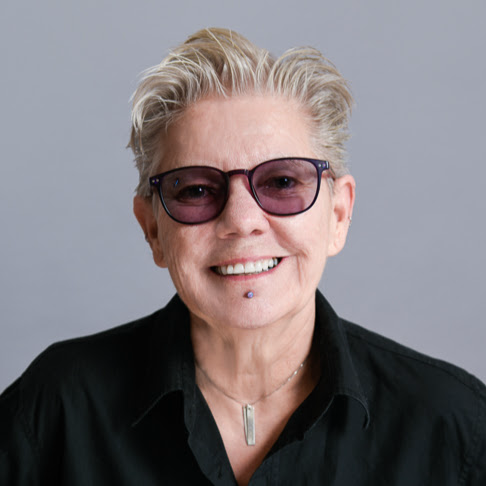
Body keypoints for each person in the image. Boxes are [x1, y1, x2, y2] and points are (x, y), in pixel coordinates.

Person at [0, 27, 484, 486]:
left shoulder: (456, 427)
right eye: (196, 189)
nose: (241, 220)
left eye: (283, 182)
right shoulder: (55, 410)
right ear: (152, 230)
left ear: (338, 214)